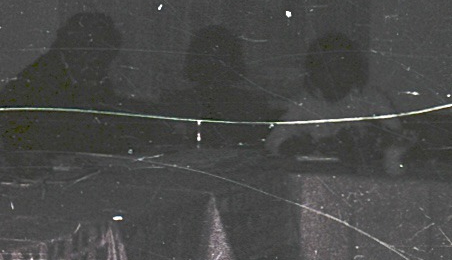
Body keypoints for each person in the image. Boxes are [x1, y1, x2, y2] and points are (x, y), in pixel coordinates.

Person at [0, 12, 151, 153]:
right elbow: (69, 136)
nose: (102, 61)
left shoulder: (84, 71)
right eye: (94, 50)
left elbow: (108, 115)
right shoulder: (40, 79)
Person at [265, 32, 412, 165]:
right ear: (314, 72)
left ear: (354, 68)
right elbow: (275, 141)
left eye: (341, 67)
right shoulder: (304, 103)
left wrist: (374, 138)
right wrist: (301, 144)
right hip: (317, 176)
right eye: (326, 67)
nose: (334, 74)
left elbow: (399, 136)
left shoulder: (372, 99)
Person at [160, 25, 284, 148]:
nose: (212, 64)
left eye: (220, 58)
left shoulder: (250, 104)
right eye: (206, 57)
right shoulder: (178, 103)